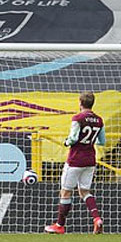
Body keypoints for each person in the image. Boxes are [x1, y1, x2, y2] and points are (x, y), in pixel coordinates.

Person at [45, 92, 105, 234]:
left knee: (65, 192)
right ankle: (97, 219)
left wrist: (66, 142)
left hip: (75, 159)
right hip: (90, 159)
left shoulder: (78, 118)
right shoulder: (99, 120)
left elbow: (73, 138)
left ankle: (59, 225)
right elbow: (102, 141)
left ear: (80, 103)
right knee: (84, 191)